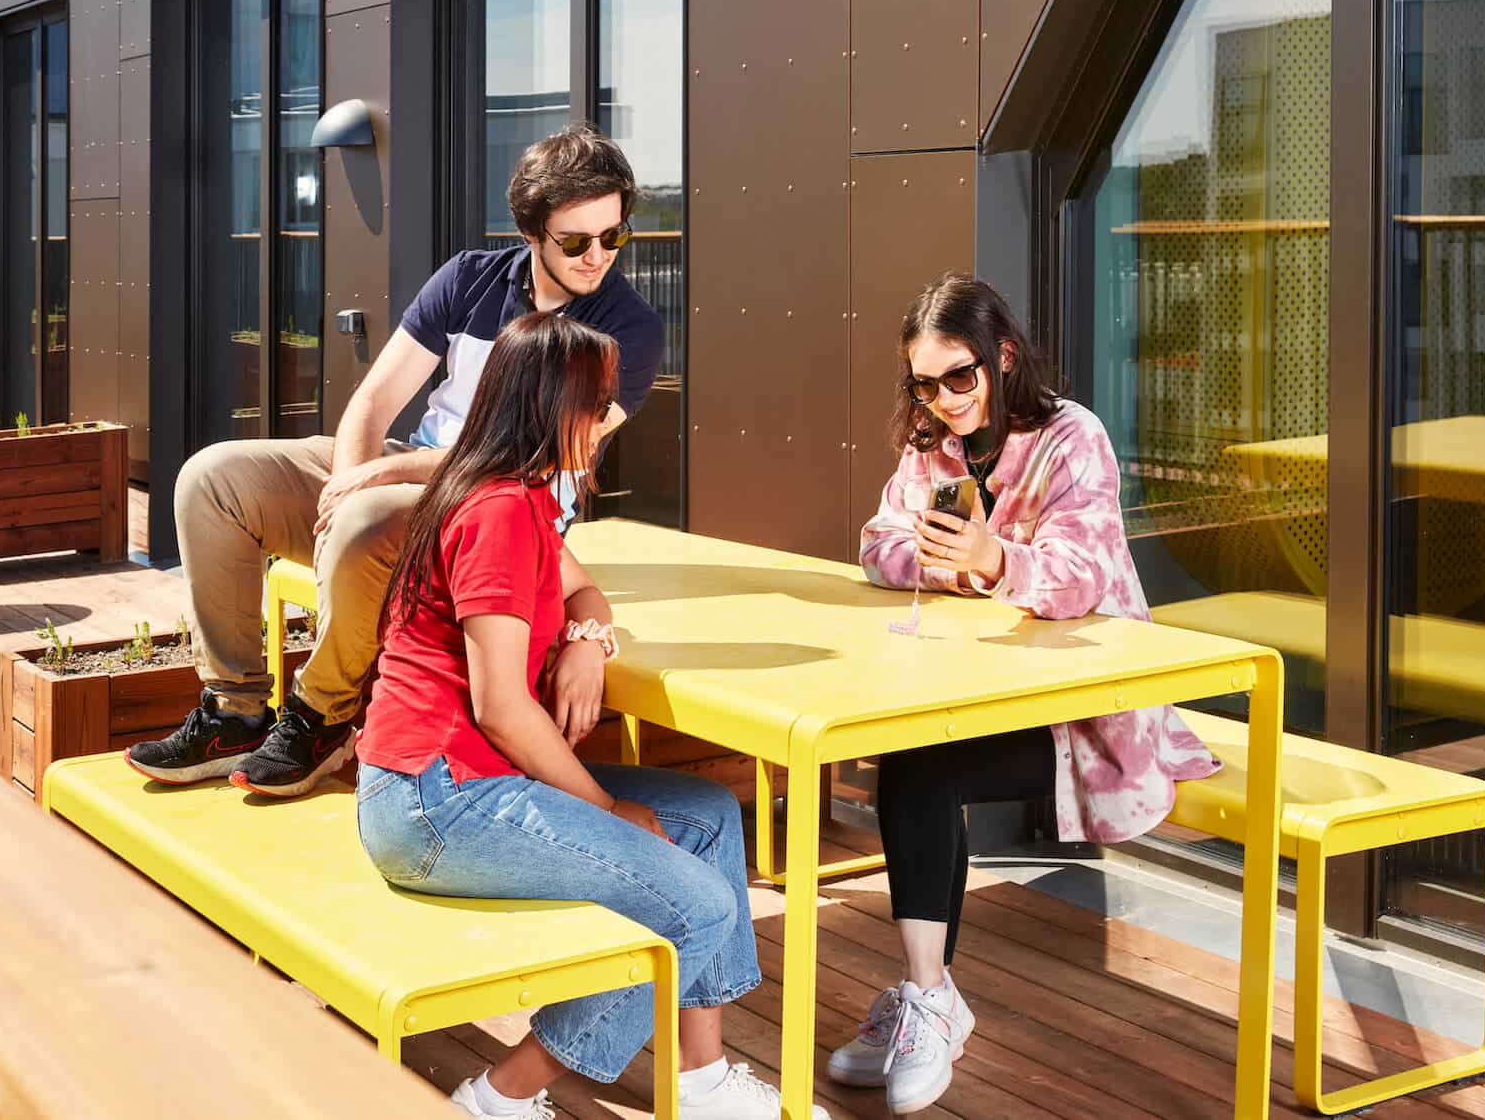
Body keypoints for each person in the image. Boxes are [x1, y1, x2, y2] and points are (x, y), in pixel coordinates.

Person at [354, 311, 823, 1120]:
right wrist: (605, 808)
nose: (611, 418)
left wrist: (586, 638)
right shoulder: (496, 511)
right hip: (433, 800)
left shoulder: (527, 496)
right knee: (695, 903)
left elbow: (582, 588)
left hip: (466, 778)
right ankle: (497, 1097)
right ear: (548, 407)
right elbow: (501, 703)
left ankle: (703, 1083)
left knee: (709, 817)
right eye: (598, 401)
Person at [126, 124, 665, 794]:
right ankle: (234, 709)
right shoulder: (469, 279)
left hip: (501, 504)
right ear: (531, 232)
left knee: (368, 515)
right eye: (577, 240)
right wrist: (352, 481)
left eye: (614, 237)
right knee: (212, 481)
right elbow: (374, 402)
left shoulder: (627, 330)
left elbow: (522, 459)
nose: (597, 257)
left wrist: (376, 481)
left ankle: (322, 715)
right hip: (415, 468)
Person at [835, 272, 1219, 1114]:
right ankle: (929, 995)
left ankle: (929, 1000)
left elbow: (1082, 576)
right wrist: (959, 563)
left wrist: (993, 560)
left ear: (1003, 357)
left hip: (1091, 711)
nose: (941, 400)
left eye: (960, 377)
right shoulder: (931, 442)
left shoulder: (1072, 438)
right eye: (923, 383)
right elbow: (876, 545)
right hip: (989, 688)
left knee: (922, 764)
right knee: (912, 749)